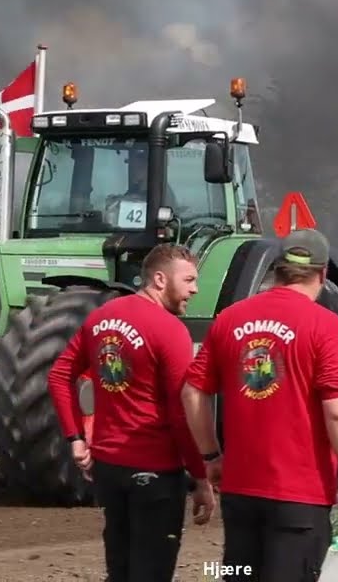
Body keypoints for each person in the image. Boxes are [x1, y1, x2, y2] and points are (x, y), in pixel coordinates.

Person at [181, 228, 338, 582]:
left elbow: (192, 392)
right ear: (323, 274)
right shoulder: (324, 325)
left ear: (278, 269)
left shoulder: (230, 318)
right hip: (299, 497)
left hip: (240, 494)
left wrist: (210, 456)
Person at [47, 243, 214, 582]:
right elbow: (182, 412)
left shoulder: (100, 317)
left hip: (109, 471)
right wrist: (200, 476)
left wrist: (75, 439)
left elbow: (59, 375)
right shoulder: (169, 331)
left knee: (119, 568)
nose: (195, 289)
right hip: (155, 472)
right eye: (189, 280)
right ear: (159, 279)